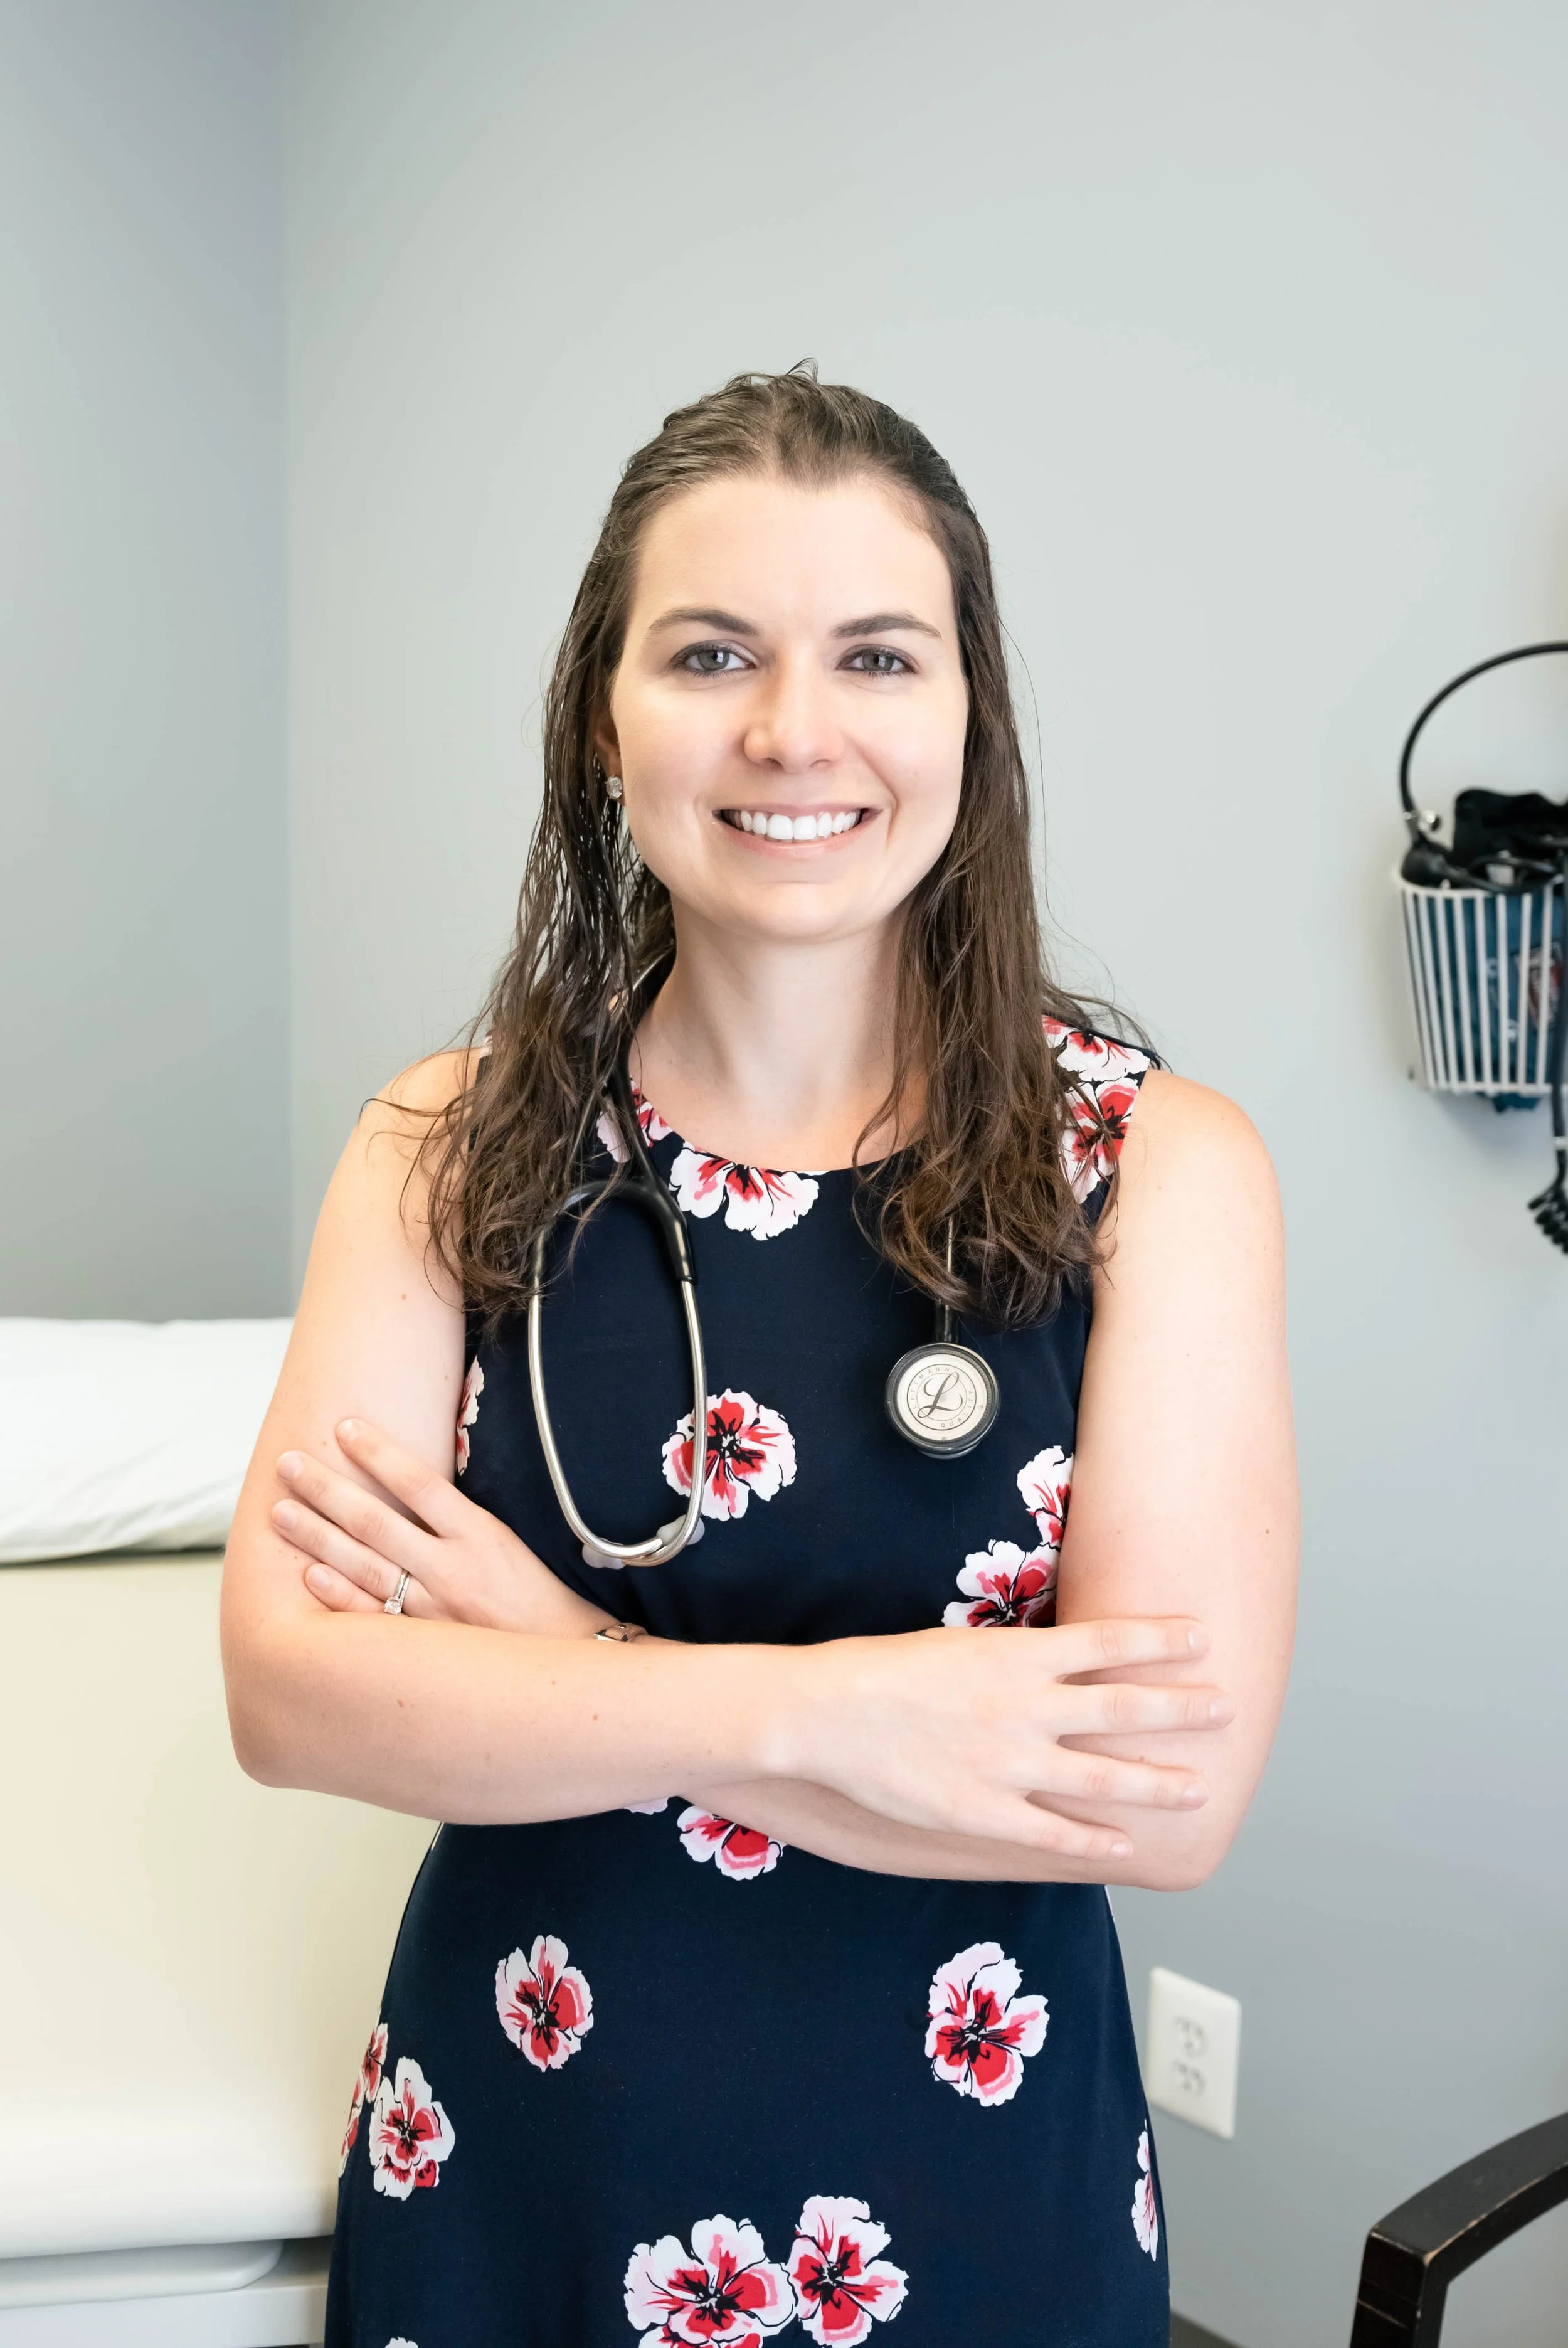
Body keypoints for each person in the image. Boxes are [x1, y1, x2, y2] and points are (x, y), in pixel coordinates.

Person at [222, 365, 1296, 2348]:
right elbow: (296, 1696)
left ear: (965, 712)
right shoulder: (442, 1150)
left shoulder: (1150, 1170)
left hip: (973, 2207)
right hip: (517, 2161)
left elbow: (1162, 1804)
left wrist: (565, 1665)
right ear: (601, 718)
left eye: (876, 655)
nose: (794, 730)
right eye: (710, 652)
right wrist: (854, 1716)